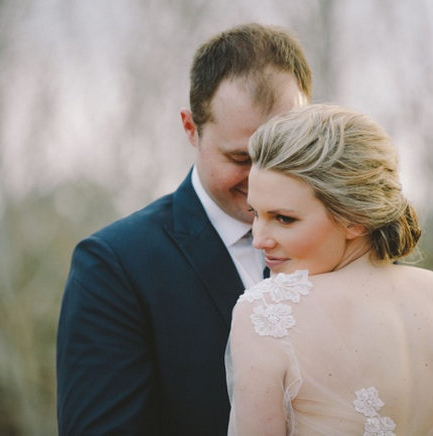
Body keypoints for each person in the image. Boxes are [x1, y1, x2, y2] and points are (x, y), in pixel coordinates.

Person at [56, 23, 312, 435]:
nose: (265, 179)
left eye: (286, 153)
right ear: (191, 128)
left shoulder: (343, 247)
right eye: (241, 159)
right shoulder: (115, 266)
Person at [226, 104, 433, 435]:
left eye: (284, 218)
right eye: (255, 214)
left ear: (354, 218)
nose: (259, 240)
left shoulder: (266, 314)